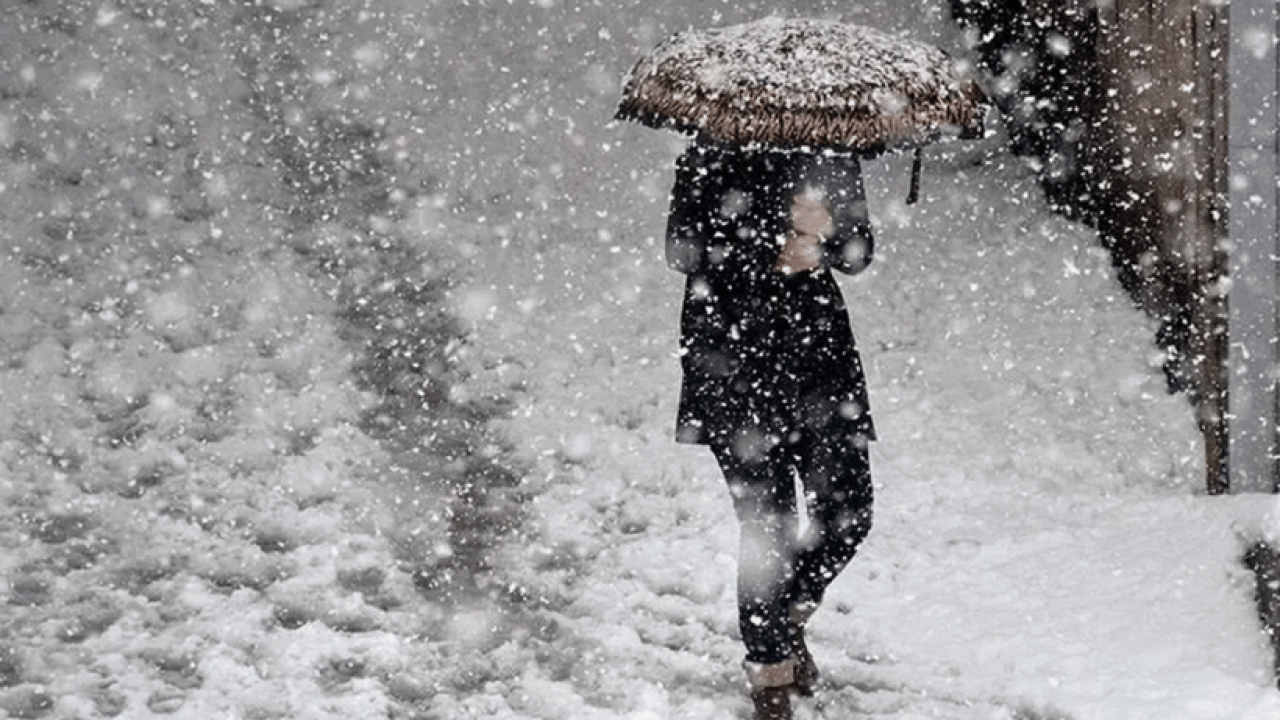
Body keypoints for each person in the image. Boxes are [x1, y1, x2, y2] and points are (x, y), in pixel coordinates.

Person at [665, 138, 876, 720]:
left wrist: (826, 235)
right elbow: (683, 251)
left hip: (819, 363)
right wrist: (774, 238)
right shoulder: (709, 154)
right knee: (769, 528)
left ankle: (783, 617)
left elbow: (859, 254)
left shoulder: (831, 153)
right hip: (732, 361)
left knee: (848, 513)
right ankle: (770, 676)